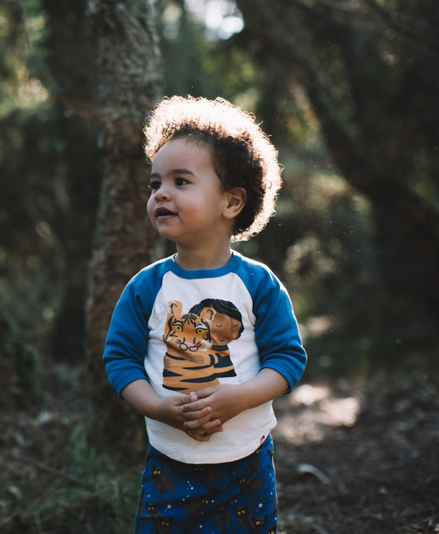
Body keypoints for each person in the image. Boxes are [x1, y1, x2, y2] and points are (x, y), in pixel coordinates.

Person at [102, 95, 307, 533]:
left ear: (231, 202)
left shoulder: (257, 284)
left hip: (247, 460)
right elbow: (119, 359)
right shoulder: (147, 288)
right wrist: (157, 405)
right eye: (155, 183)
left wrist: (241, 397)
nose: (161, 193)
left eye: (180, 181)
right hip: (169, 464)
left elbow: (288, 359)